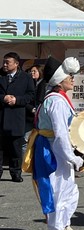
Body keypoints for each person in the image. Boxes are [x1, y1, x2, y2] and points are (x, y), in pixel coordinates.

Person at [23, 57, 84, 230]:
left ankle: (64, 224)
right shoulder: (56, 101)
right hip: (52, 151)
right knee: (57, 189)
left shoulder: (57, 98)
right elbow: (60, 134)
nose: (72, 78)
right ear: (59, 80)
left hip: (55, 149)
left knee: (67, 188)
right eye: (69, 76)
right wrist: (72, 157)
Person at [1, 52, 36, 182]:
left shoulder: (26, 77)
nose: (5, 65)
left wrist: (17, 100)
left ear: (16, 64)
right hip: (1, 116)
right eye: (4, 62)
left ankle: (15, 172)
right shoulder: (0, 75)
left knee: (15, 147)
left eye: (7, 62)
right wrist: (3, 98)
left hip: (16, 117)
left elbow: (30, 95)